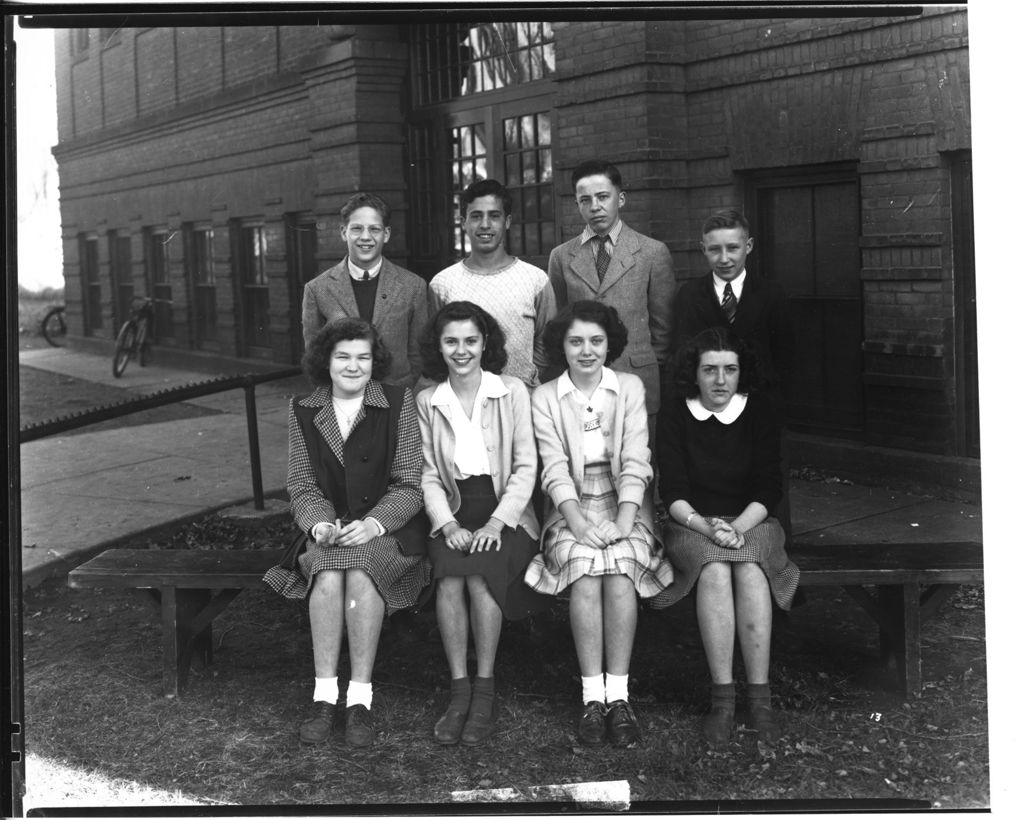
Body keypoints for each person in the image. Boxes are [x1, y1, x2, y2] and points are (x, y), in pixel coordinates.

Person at [263, 317, 429, 748]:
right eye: (343, 357)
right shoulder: (304, 409)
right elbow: (301, 484)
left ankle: (359, 699)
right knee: (331, 571)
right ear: (326, 361)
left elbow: (410, 483)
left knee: (360, 571)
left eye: (363, 357)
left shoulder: (397, 402)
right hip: (329, 532)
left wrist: (374, 523)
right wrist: (319, 523)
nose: (353, 366)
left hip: (388, 532)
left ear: (375, 362)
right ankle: (323, 695)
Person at [524, 300, 674, 748]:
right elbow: (552, 467)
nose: (586, 351)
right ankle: (592, 697)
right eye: (575, 342)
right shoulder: (544, 396)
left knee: (623, 569)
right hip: (570, 503)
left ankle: (620, 696)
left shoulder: (628, 387)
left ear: (610, 344)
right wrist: (578, 522)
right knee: (586, 571)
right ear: (561, 347)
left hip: (625, 499)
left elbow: (636, 459)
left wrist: (626, 520)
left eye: (596, 341)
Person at [656, 326, 799, 747]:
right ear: (694, 374)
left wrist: (736, 528)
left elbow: (769, 489)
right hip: (691, 523)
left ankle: (760, 700)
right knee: (715, 569)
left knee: (752, 569)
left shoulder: (759, 410)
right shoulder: (678, 412)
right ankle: (722, 698)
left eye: (730, 370)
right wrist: (707, 527)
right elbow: (673, 491)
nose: (720, 380)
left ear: (741, 373)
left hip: (752, 522)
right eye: (710, 370)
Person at [416, 301, 549, 746]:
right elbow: (429, 475)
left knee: (478, 577)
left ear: (485, 342)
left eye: (470, 340)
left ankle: (485, 690)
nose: (461, 350)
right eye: (451, 341)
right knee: (451, 580)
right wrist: (447, 524)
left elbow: (526, 467)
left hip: (506, 513)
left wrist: (496, 523)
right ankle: (459, 692)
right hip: (453, 512)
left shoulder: (511, 391)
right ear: (438, 346)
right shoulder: (428, 400)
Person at [546, 159, 676, 419]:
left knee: (639, 455)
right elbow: (558, 320)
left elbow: (664, 326)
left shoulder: (652, 252)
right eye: (585, 200)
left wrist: (645, 362)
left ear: (621, 198)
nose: (595, 207)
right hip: (582, 382)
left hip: (637, 378)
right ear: (577, 204)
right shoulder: (561, 257)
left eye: (603, 197)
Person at [428, 179, 557, 389]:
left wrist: (523, 381)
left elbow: (547, 341)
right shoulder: (442, 284)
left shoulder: (535, 280)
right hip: (464, 402)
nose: (485, 225)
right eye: (476, 216)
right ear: (463, 222)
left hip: (523, 400)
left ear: (507, 222)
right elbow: (436, 346)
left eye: (494, 216)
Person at [670, 209, 794, 413]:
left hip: (760, 408)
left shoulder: (771, 294)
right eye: (715, 250)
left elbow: (785, 358)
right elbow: (683, 358)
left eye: (733, 248)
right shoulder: (690, 295)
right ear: (703, 249)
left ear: (749, 246)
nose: (724, 258)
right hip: (706, 407)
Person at [301, 192, 429, 389]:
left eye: (374, 229)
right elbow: (314, 357)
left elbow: (417, 353)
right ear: (344, 232)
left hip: (395, 399)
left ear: (386, 234)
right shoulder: (317, 289)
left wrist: (403, 389)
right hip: (342, 401)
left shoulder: (413, 286)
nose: (366, 237)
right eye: (357, 229)